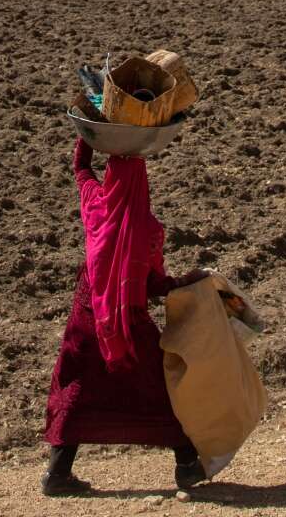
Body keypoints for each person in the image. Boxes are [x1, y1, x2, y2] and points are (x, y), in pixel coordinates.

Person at [44, 138, 206, 496]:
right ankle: (186, 464)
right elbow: (153, 284)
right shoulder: (147, 230)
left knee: (77, 389)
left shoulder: (95, 203)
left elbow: (81, 169)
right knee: (158, 388)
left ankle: (57, 473)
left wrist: (88, 133)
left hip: (86, 320)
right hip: (127, 322)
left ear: (111, 178)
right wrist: (188, 281)